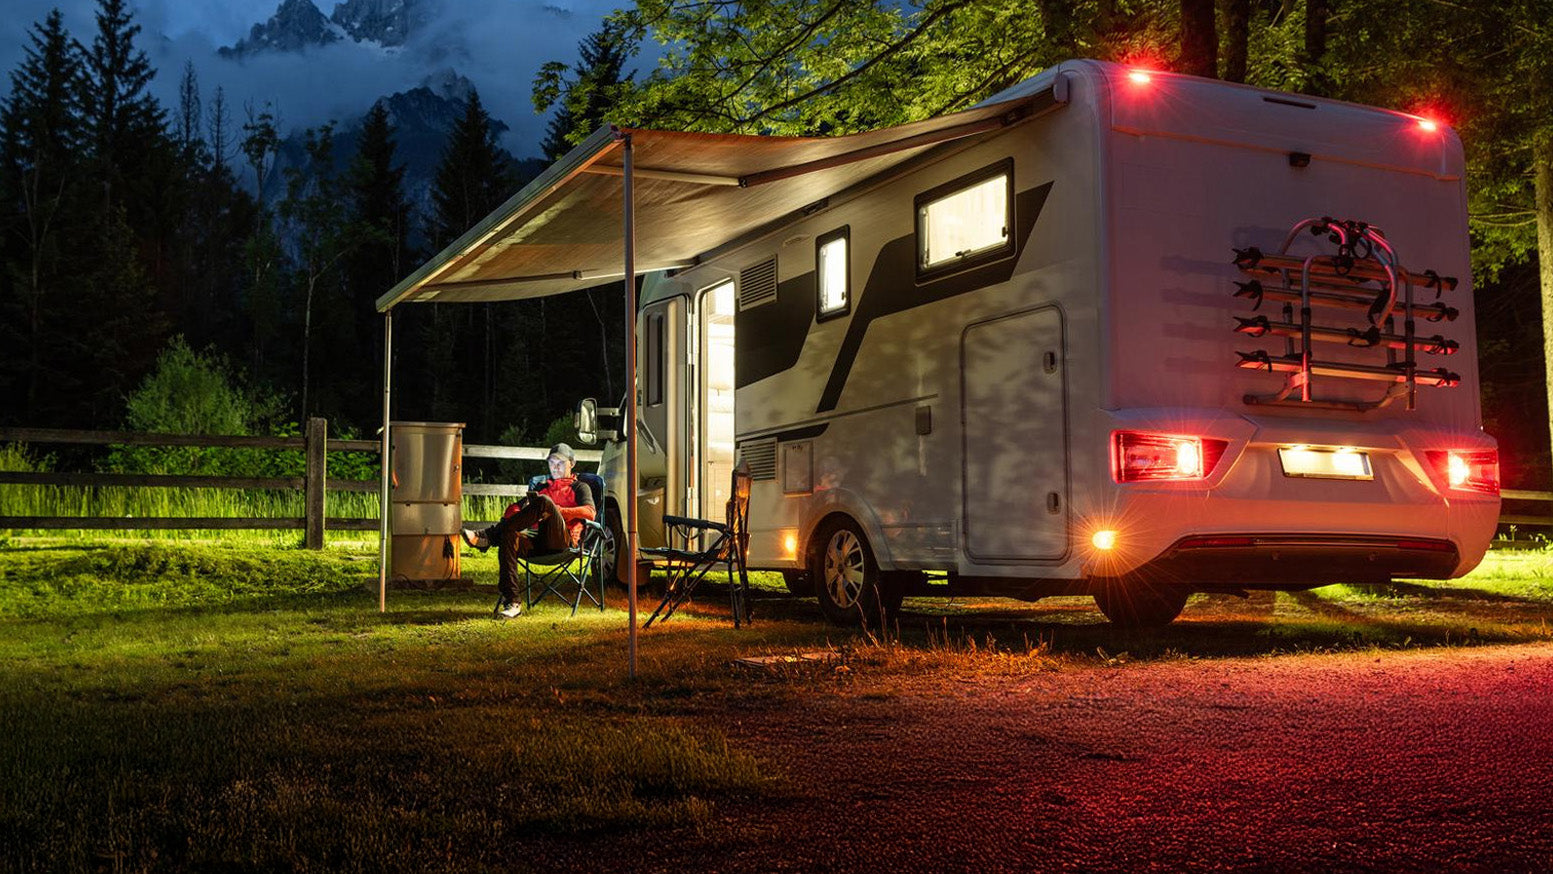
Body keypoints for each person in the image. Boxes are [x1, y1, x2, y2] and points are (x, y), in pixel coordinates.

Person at [461, 443, 595, 618]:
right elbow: (513, 509)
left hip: (563, 540)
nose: (555, 467)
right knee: (509, 535)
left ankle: (489, 537)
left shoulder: (580, 487)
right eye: (551, 462)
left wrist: (560, 511)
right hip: (536, 540)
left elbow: (590, 512)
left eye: (560, 463)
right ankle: (512, 603)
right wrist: (520, 513)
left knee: (544, 502)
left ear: (572, 464)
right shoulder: (541, 487)